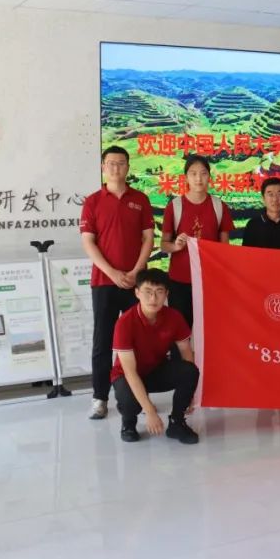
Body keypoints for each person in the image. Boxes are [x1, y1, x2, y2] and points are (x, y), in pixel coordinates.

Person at [80, 145, 154, 420]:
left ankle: (138, 397)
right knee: (103, 341)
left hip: (137, 283)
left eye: (121, 163)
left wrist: (136, 271)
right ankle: (100, 398)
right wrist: (112, 273)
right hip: (104, 282)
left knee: (140, 341)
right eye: (110, 163)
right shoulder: (92, 201)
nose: (115, 168)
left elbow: (148, 238)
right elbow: (88, 242)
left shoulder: (141, 199)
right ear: (103, 167)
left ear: (128, 167)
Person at [111, 268, 200, 444]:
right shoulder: (125, 323)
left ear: (166, 294)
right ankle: (128, 422)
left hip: (155, 370)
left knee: (190, 371)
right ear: (137, 293)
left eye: (159, 292)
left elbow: (187, 354)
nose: (153, 298)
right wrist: (150, 411)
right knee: (130, 402)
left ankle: (177, 422)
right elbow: (130, 372)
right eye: (148, 292)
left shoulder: (174, 317)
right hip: (126, 376)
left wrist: (191, 393)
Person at [160, 155, 235, 327]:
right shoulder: (174, 206)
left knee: (212, 330)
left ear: (209, 176)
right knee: (180, 330)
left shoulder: (219, 206)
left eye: (203, 173)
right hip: (180, 280)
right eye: (193, 174)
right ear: (186, 177)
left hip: (210, 280)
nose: (198, 178)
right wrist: (176, 246)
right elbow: (163, 245)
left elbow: (225, 248)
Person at [242, 177, 280, 250]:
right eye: (270, 194)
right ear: (263, 198)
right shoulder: (253, 225)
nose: (275, 199)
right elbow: (247, 253)